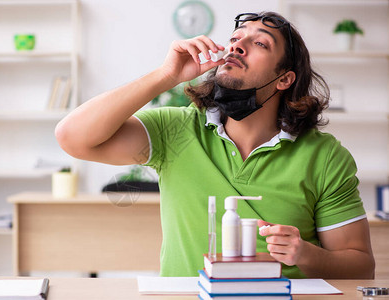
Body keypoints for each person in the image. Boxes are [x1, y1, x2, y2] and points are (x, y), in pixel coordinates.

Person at [55, 11, 375, 279]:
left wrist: (307, 255)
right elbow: (72, 137)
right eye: (235, 39)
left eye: (259, 43)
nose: (237, 46)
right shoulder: (177, 129)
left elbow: (361, 268)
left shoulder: (324, 156)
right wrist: (167, 75)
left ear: (284, 79)